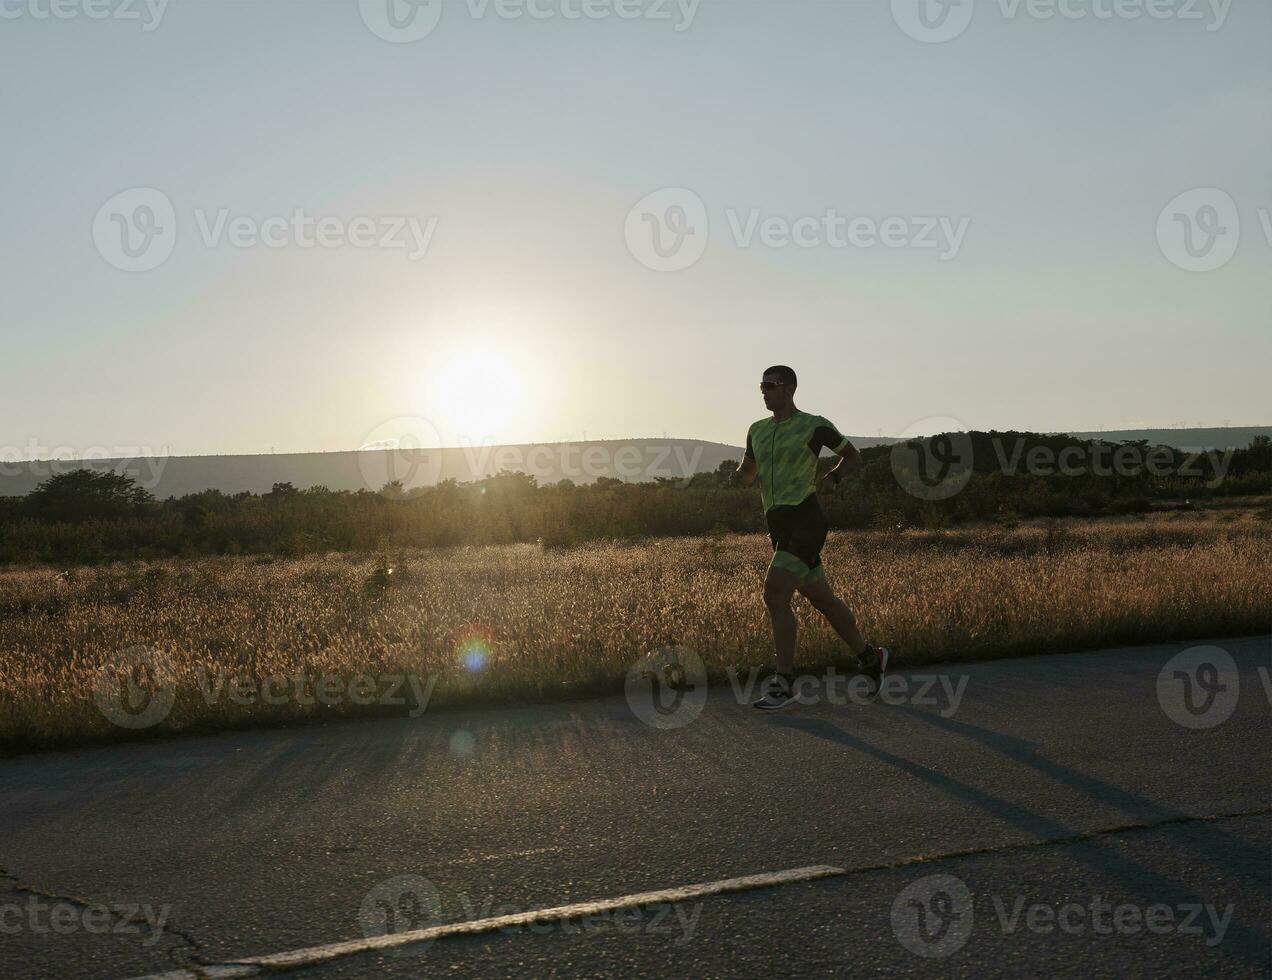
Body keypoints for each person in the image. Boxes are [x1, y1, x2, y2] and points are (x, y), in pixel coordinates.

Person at [731, 365, 889, 710]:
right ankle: (870, 657)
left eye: (770, 385)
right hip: (778, 523)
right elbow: (749, 471)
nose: (764, 391)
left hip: (806, 517)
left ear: (789, 388)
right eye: (761, 385)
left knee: (774, 593)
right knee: (823, 600)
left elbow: (852, 455)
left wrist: (834, 478)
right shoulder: (756, 430)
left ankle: (784, 684)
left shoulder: (814, 425)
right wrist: (739, 477)